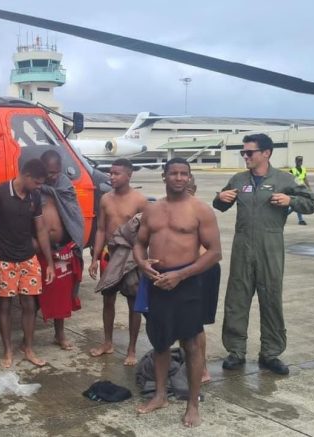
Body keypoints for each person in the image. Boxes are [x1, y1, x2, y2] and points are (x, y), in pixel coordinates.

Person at [214, 134, 314, 375]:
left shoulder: (284, 179)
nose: (245, 157)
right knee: (236, 299)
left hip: (270, 247)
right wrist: (219, 198)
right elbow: (220, 204)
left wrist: (290, 199)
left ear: (266, 153)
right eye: (244, 153)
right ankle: (236, 351)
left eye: (250, 152)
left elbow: (311, 203)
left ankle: (270, 353)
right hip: (242, 248)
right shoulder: (239, 179)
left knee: (271, 298)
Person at [133, 158, 222, 428]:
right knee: (160, 343)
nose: (179, 178)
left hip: (187, 282)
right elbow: (139, 243)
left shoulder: (200, 210)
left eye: (184, 174)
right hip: (157, 282)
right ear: (165, 176)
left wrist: (180, 275)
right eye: (174, 173)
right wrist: (142, 263)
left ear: (190, 177)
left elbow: (215, 253)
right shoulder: (152, 210)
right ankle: (160, 395)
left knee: (192, 344)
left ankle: (192, 404)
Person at [0, 159, 55, 368]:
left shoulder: (34, 195)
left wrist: (49, 263)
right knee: (4, 305)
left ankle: (28, 349)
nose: (40, 187)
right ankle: (7, 350)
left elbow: (41, 230)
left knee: (29, 304)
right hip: (4, 260)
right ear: (26, 176)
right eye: (38, 182)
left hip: (28, 258)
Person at [88, 158, 149, 365]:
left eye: (117, 173)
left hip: (131, 257)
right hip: (109, 253)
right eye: (111, 173)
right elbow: (101, 229)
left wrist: (142, 260)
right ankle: (107, 342)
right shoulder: (105, 199)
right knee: (108, 299)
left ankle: (131, 349)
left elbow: (146, 234)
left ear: (129, 175)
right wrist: (95, 257)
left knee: (134, 304)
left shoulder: (140, 200)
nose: (111, 177)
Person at [38, 150, 85, 350]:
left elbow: (74, 215)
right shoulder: (35, 188)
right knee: (33, 296)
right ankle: (28, 340)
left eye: (56, 172)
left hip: (62, 249)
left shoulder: (65, 186)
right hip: (39, 250)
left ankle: (60, 335)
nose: (53, 176)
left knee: (62, 295)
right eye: (49, 172)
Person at [186, 176, 221, 383]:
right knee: (184, 324)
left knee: (197, 325)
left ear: (195, 188)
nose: (184, 188)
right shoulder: (166, 207)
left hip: (202, 270)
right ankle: (191, 363)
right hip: (179, 271)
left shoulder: (202, 211)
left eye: (189, 185)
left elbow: (214, 250)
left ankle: (203, 368)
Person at [289, 156, 311, 225]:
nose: (300, 162)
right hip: (295, 189)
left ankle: (300, 220)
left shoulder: (303, 169)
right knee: (297, 204)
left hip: (302, 189)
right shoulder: (292, 170)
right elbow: (289, 180)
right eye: (298, 161)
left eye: (301, 161)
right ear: (295, 161)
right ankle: (300, 220)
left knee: (297, 205)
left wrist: (308, 187)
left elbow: (305, 178)